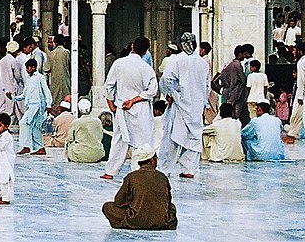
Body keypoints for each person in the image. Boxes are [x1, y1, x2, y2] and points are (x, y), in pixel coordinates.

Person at [102, 36, 158, 180]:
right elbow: (152, 91)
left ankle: (110, 171)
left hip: (122, 108)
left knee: (119, 140)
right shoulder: (147, 69)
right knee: (142, 141)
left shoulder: (119, 64)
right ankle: (138, 170)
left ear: (132, 47)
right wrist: (134, 100)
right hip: (141, 108)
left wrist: (111, 104)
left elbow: (109, 86)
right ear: (146, 51)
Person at [158, 32, 208, 178]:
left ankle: (164, 169)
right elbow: (206, 85)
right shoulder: (202, 63)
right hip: (197, 104)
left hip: (180, 103)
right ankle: (189, 170)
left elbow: (166, 78)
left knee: (172, 136)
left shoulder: (177, 60)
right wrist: (203, 102)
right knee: (194, 137)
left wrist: (170, 93)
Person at [102, 148, 178, 231]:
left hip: (136, 221)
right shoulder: (162, 177)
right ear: (152, 160)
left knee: (108, 207)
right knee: (172, 207)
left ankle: (130, 224)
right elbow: (168, 201)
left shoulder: (131, 177)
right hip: (161, 222)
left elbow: (119, 201)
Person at [17, 57, 52, 156]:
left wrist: (49, 104)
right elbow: (24, 96)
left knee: (24, 123)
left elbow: (46, 91)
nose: (27, 70)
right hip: (30, 105)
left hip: (37, 106)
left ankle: (26, 146)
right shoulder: (29, 79)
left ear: (33, 67)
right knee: (35, 128)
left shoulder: (39, 77)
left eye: (28, 68)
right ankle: (40, 148)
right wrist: (12, 97)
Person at [215, 45, 251, 126]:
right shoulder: (237, 65)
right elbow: (243, 80)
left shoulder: (230, 65)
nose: (244, 56)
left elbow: (222, 77)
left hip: (229, 92)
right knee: (235, 114)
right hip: (237, 93)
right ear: (239, 54)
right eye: (243, 54)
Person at [67, 98, 106, 163]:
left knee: (69, 143)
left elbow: (70, 139)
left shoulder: (76, 122)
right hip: (96, 155)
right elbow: (100, 136)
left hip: (79, 155)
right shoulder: (98, 121)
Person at [0, 41, 23, 123]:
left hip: (2, 85)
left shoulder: (2, 60)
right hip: (11, 85)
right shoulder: (13, 61)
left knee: (2, 105)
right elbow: (17, 75)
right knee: (11, 106)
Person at [48, 36, 71, 109]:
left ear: (55, 43)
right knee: (66, 99)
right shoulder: (66, 52)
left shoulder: (51, 54)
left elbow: (47, 68)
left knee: (55, 100)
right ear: (64, 42)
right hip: (65, 79)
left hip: (55, 80)